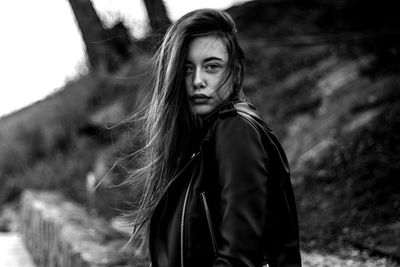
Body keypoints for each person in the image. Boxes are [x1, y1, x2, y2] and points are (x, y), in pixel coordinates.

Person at [128, 8, 302, 267]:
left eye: (212, 66)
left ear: (234, 70)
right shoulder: (203, 139)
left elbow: (239, 258)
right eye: (187, 68)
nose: (198, 81)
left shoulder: (235, 130)